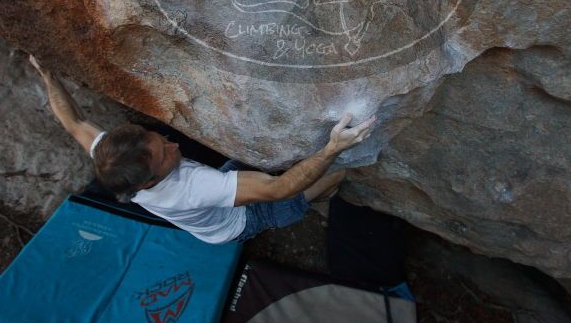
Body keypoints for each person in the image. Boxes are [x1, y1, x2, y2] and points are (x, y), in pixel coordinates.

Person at [29, 55, 376, 245]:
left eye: (159, 138)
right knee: (332, 175)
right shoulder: (192, 189)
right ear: (148, 183)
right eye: (166, 154)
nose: (174, 143)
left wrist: (48, 74)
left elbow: (73, 122)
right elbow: (278, 188)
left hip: (211, 204)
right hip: (239, 223)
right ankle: (322, 198)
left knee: (255, 168)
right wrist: (332, 149)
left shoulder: (114, 160)